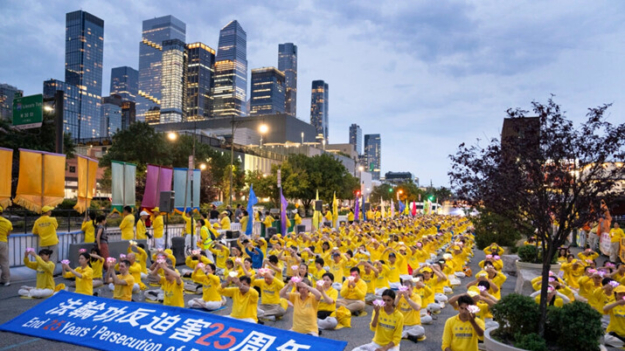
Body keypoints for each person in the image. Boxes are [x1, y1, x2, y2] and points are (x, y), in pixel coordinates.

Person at [396, 279, 426, 343]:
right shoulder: (399, 296)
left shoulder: (417, 297)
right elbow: (392, 307)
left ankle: (403, 334)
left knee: (421, 330)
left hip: (414, 326)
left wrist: (408, 299)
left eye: (408, 290)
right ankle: (407, 335)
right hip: (402, 325)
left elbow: (417, 308)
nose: (405, 292)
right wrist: (398, 297)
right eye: (404, 289)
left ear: (412, 288)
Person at [0, 206, 13, 286]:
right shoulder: (7, 222)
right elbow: (8, 233)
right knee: (4, 262)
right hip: (3, 242)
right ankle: (6, 280)